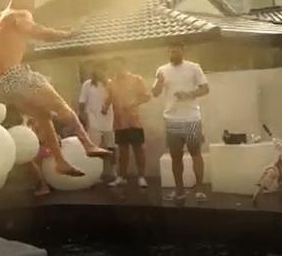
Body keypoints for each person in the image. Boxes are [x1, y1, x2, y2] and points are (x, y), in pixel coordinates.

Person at [0, 0, 110, 177]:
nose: (32, 7)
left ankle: (60, 162)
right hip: (15, 77)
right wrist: (66, 35)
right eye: (31, 1)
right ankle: (88, 144)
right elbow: (37, 31)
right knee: (59, 105)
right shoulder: (19, 14)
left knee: (43, 115)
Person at [152, 43, 210, 202]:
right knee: (175, 156)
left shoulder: (194, 67)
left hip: (192, 118)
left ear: (183, 51)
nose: (174, 52)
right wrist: (159, 82)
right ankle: (179, 190)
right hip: (171, 119)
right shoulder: (162, 70)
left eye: (177, 50)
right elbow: (155, 93)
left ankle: (199, 189)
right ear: (168, 52)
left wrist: (189, 94)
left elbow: (205, 89)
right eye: (171, 50)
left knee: (195, 153)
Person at [103, 57, 151, 188]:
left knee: (138, 149)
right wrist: (105, 107)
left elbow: (147, 96)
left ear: (124, 65)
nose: (116, 68)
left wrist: (134, 103)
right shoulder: (111, 83)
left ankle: (141, 177)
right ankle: (121, 177)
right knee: (122, 151)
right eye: (113, 66)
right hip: (119, 122)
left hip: (134, 121)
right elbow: (108, 98)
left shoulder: (136, 79)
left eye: (118, 65)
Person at [79, 62, 116, 180]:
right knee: (94, 148)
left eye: (103, 70)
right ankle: (94, 174)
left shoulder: (110, 84)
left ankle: (112, 172)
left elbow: (114, 99)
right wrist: (82, 117)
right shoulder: (88, 84)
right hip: (93, 120)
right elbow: (82, 102)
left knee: (112, 147)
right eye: (98, 70)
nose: (101, 72)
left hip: (109, 120)